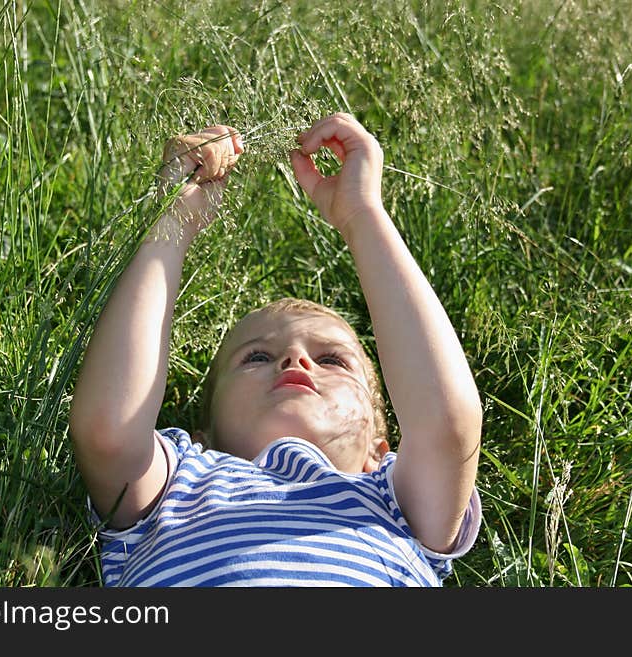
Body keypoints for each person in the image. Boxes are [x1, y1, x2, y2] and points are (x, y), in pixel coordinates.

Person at [69, 112, 483, 586]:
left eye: (331, 359)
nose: (296, 360)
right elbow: (108, 429)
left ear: (379, 448)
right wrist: (174, 220)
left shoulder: (393, 501)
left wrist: (362, 213)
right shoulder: (179, 484)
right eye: (256, 357)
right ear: (203, 435)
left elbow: (448, 424)